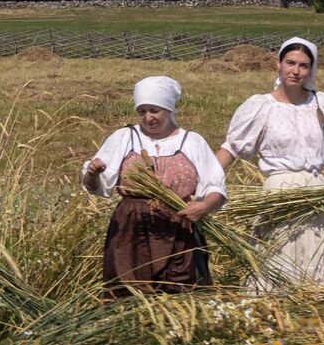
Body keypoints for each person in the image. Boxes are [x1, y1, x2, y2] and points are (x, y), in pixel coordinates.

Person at [216, 37, 324, 292]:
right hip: (280, 194)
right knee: (278, 255)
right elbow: (232, 148)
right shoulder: (261, 106)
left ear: (311, 70)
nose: (296, 71)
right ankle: (279, 313)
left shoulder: (320, 103)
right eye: (290, 63)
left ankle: (322, 312)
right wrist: (205, 181)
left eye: (303, 66)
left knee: (321, 253)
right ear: (278, 64)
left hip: (316, 193)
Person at [82, 76, 227, 296]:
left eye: (155, 111)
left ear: (168, 110)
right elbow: (98, 187)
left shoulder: (192, 141)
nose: (148, 117)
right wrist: (93, 173)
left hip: (178, 227)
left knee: (180, 292)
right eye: (143, 112)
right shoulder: (125, 137)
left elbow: (215, 186)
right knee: (128, 295)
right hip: (131, 229)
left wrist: (204, 206)